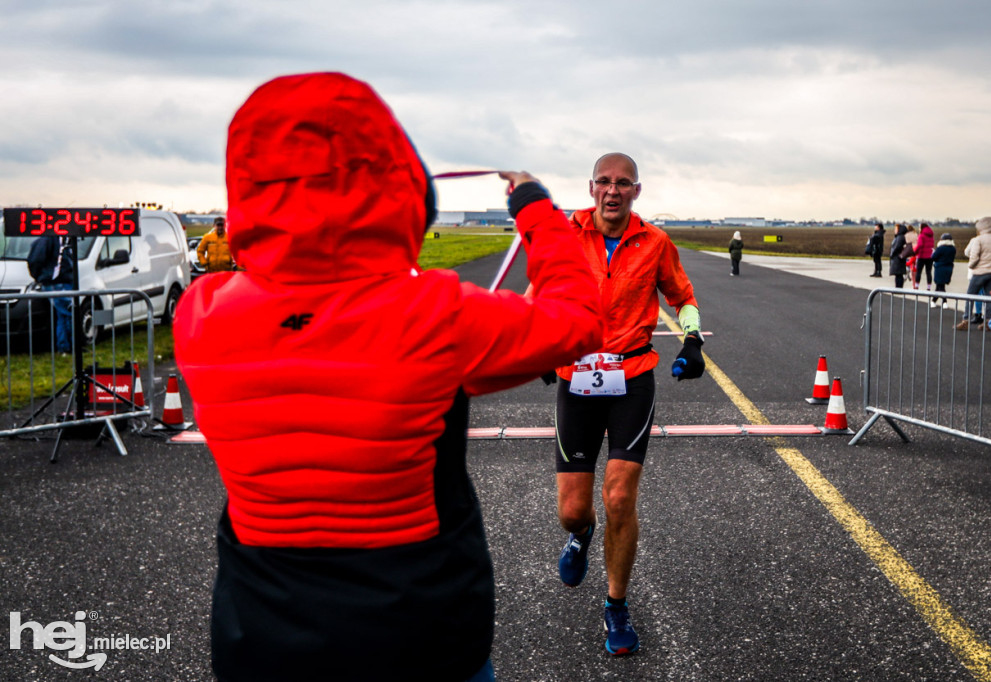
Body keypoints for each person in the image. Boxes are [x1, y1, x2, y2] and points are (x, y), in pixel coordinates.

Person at [173, 72, 603, 682]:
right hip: (421, 639)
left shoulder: (201, 314)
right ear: (399, 184)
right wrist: (536, 209)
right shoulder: (436, 313)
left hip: (260, 639)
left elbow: (298, 315)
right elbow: (578, 320)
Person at [550, 152, 703, 656]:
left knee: (619, 498)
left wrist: (693, 340)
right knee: (573, 510)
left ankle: (616, 607)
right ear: (591, 187)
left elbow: (682, 296)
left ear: (637, 191)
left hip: (631, 376)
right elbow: (538, 291)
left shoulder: (654, 241)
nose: (612, 191)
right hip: (576, 376)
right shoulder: (564, 235)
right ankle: (581, 534)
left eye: (623, 183)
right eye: (604, 182)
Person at [956, 216, 991, 331]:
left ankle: (966, 320)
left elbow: (974, 257)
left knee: (970, 296)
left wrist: (972, 266)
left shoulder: (979, 239)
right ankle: (988, 321)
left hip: (979, 272)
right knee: (989, 297)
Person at [26, 234, 74, 353]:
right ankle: (66, 346)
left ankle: (66, 346)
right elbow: (35, 260)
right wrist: (42, 277)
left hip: (62, 280)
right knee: (67, 312)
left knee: (63, 315)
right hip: (55, 281)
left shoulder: (65, 239)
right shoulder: (48, 239)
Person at [931, 232, 956, 308]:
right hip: (949, 268)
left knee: (940, 286)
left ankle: (944, 302)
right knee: (940, 285)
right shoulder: (953, 249)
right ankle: (933, 301)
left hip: (940, 268)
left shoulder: (940, 248)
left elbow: (933, 257)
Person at [913, 222, 935, 290]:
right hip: (930, 256)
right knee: (928, 272)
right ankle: (929, 287)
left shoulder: (921, 235)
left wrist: (914, 251)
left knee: (919, 271)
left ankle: (916, 285)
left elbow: (920, 245)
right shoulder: (931, 236)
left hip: (922, 255)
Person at [889, 223, 909, 289]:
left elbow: (897, 247)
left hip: (898, 258)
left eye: (896, 229)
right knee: (898, 274)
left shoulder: (900, 237)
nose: (895, 230)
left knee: (899, 274)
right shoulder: (899, 237)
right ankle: (898, 287)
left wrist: (892, 253)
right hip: (897, 258)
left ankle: (898, 287)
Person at [904, 224, 919, 288]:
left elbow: (905, 243)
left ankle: (908, 272)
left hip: (908, 250)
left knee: (908, 262)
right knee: (913, 264)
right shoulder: (916, 234)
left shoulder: (906, 235)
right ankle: (911, 274)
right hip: (915, 250)